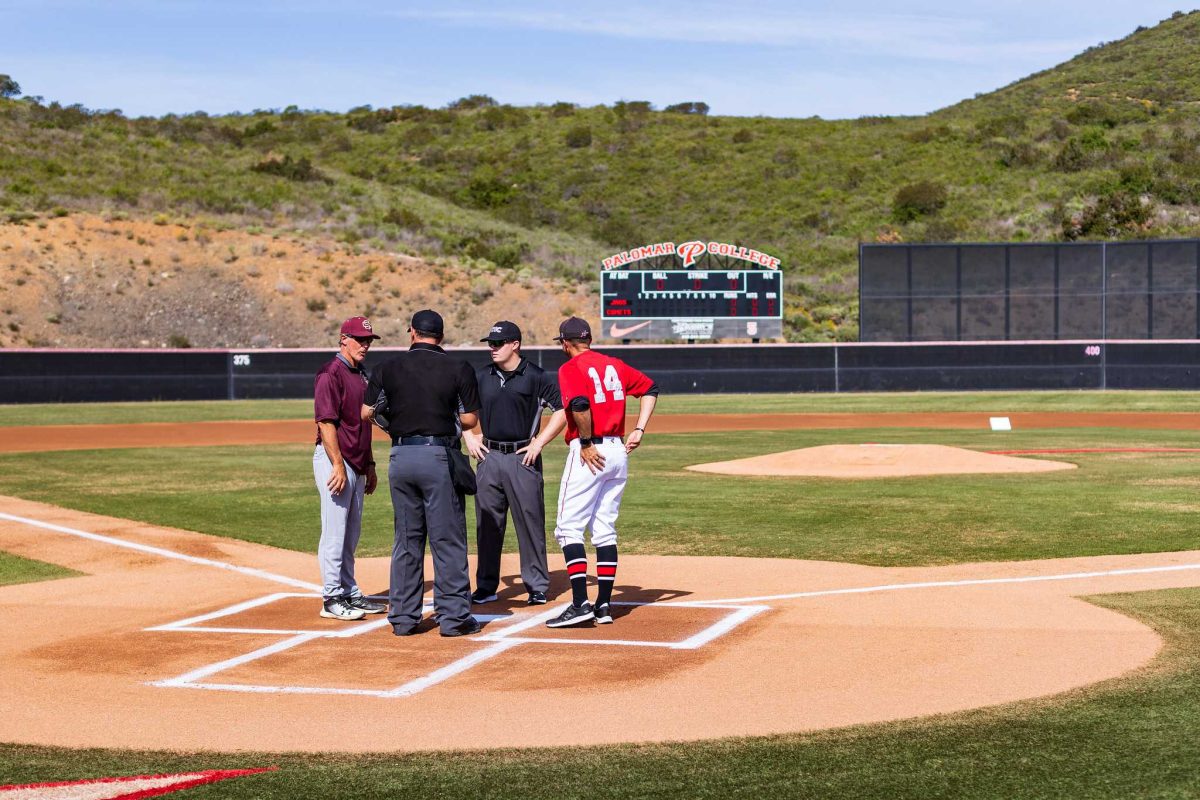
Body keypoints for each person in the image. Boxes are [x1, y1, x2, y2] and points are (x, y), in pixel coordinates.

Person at [363, 309, 483, 637]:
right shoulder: (459, 367)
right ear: (440, 336)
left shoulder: (388, 367)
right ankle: (454, 618)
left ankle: (403, 618)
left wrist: (395, 424)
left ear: (412, 332)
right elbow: (471, 419)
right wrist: (449, 421)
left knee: (406, 539)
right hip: (438, 457)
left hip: (401, 457)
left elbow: (367, 412)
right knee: (447, 538)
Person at [545, 316, 659, 628]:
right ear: (590, 340)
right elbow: (651, 387)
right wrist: (639, 429)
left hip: (590, 451)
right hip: (618, 450)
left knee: (568, 528)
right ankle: (604, 605)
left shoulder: (570, 368)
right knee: (604, 528)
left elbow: (579, 404)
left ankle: (581, 603)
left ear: (566, 343)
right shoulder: (614, 364)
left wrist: (585, 442)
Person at [463, 320, 566, 607]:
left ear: (515, 345)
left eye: (498, 343)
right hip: (489, 457)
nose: (492, 349)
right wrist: (468, 436)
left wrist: (539, 442)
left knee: (530, 522)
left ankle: (536, 585)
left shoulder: (536, 376)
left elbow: (561, 410)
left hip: (523, 457)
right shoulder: (481, 376)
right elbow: (458, 407)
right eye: (490, 344)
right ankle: (485, 585)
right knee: (487, 524)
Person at [312, 316, 386, 621]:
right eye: (359, 339)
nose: (365, 345)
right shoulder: (331, 373)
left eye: (368, 340)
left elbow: (362, 424)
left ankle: (348, 589)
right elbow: (325, 422)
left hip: (356, 462)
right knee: (335, 531)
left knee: (351, 533)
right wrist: (338, 465)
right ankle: (332, 597)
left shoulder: (361, 374)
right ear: (344, 339)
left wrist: (369, 463)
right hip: (335, 461)